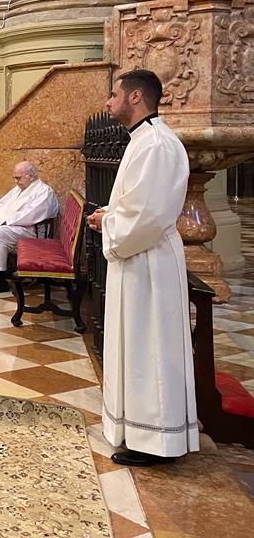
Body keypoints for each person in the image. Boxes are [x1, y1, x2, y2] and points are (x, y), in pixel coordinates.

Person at [86, 68, 197, 467]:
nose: (108, 102)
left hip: (148, 261)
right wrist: (112, 214)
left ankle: (156, 441)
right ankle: (138, 432)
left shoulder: (156, 144)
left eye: (114, 94)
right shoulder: (143, 140)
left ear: (135, 97)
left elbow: (148, 216)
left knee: (150, 346)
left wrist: (107, 223)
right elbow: (137, 204)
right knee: (137, 345)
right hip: (138, 258)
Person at [0, 161, 59, 293]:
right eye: (15, 178)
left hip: (31, 230)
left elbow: (31, 214)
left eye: (19, 178)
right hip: (15, 227)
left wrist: (5, 222)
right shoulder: (19, 189)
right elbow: (2, 205)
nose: (16, 181)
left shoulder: (44, 192)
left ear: (31, 175)